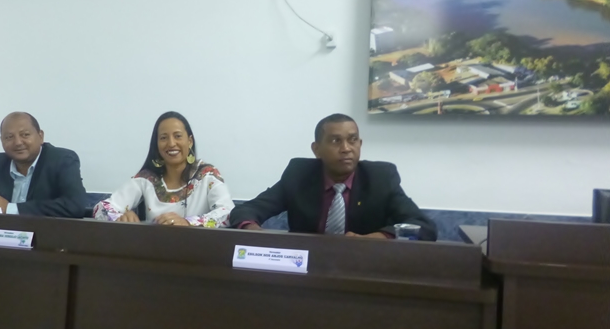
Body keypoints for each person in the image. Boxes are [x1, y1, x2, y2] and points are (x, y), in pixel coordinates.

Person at [230, 113, 437, 240]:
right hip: (306, 268)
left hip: (364, 269)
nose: (346, 148)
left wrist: (378, 237)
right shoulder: (298, 174)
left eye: (352, 140)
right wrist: (253, 230)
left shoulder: (381, 178)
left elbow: (424, 226)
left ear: (360, 144)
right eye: (336, 141)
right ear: (316, 149)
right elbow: (246, 210)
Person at [94, 112, 234, 227]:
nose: (171, 143)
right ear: (157, 144)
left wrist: (188, 222)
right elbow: (101, 208)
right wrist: (120, 218)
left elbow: (227, 213)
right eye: (163, 138)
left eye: (178, 136)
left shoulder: (207, 175)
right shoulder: (147, 179)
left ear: (190, 141)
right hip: (154, 250)